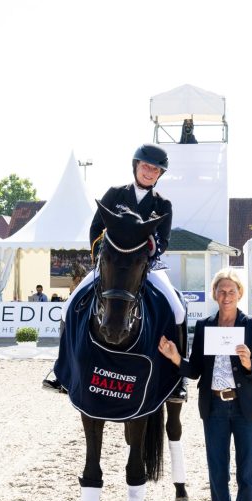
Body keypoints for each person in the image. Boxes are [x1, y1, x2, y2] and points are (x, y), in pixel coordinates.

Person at [157, 268, 252, 501]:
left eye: (231, 291)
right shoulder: (206, 326)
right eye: (221, 291)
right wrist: (174, 357)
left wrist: (248, 363)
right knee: (217, 474)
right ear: (214, 294)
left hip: (246, 408)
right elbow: (195, 370)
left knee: (246, 474)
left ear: (240, 294)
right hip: (215, 408)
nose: (226, 296)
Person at [76, 143, 187, 400]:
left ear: (160, 175)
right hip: (111, 267)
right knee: (70, 303)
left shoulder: (163, 204)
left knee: (178, 308)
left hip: (145, 269)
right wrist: (103, 255)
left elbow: (164, 240)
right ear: (136, 165)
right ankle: (62, 369)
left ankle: (178, 377)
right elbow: (95, 229)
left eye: (156, 169)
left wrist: (149, 248)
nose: (150, 172)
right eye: (146, 166)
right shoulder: (114, 194)